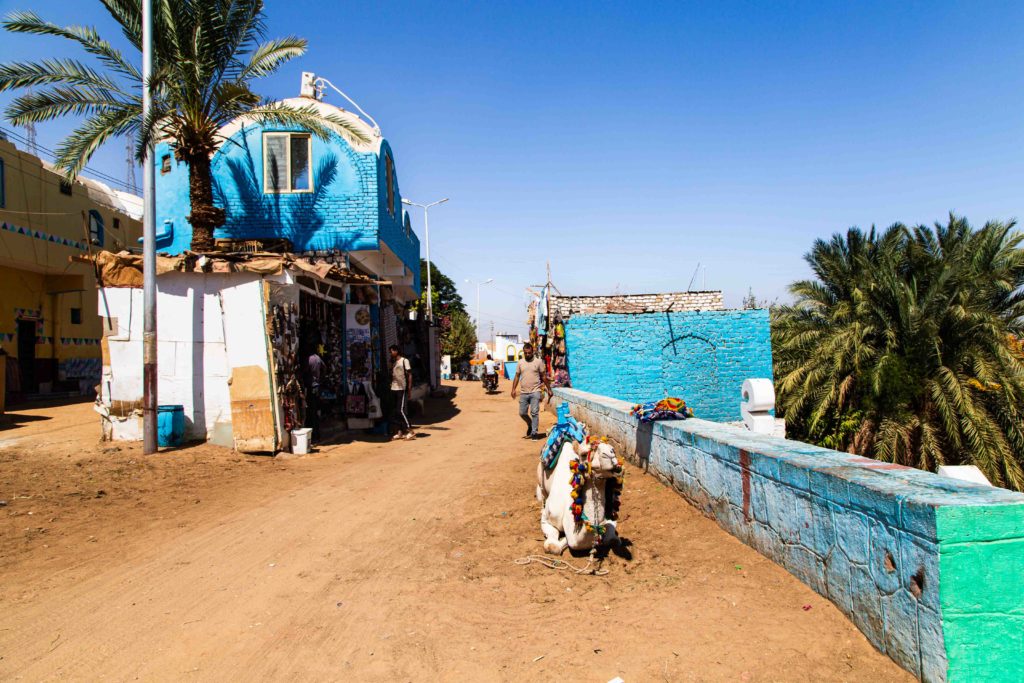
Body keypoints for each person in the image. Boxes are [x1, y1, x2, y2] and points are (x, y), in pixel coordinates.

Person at [511, 342, 553, 439]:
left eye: (529, 353)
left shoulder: (538, 362)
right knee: (522, 413)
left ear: (533, 352)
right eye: (525, 353)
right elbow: (517, 376)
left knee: (534, 412)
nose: (527, 355)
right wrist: (513, 389)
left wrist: (549, 389)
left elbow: (544, 376)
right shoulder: (520, 362)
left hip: (535, 391)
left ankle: (534, 433)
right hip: (524, 392)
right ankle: (530, 424)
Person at [389, 344, 414, 441]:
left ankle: (410, 431)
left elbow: (410, 375)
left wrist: (409, 388)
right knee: (396, 412)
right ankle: (399, 432)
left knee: (401, 410)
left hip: (402, 388)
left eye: (391, 351)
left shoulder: (404, 361)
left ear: (396, 351)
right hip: (394, 388)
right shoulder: (393, 362)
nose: (390, 353)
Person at [305, 345, 325, 443]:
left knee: (311, 412)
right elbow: (325, 368)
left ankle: (314, 436)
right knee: (316, 411)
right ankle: (317, 435)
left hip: (311, 388)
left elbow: (305, 371)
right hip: (317, 386)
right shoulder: (318, 358)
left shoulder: (309, 359)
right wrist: (320, 378)